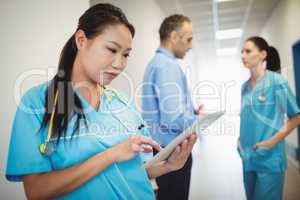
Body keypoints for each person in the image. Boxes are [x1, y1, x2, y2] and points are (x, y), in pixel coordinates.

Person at [5, 4, 197, 200]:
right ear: (81, 40)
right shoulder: (36, 103)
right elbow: (36, 191)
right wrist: (110, 155)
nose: (119, 64)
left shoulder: (123, 102)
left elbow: (137, 171)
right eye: (111, 49)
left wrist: (168, 166)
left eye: (125, 54)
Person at [142, 14, 202, 200]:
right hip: (172, 151)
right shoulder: (167, 66)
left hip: (163, 148)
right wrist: (201, 121)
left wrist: (191, 112)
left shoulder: (156, 63)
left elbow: (167, 110)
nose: (191, 46)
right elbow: (172, 118)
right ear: (174, 37)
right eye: (188, 39)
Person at [238, 36, 300, 200]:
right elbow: (247, 118)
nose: (243, 55)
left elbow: (296, 117)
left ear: (263, 54)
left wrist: (272, 141)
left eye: (248, 51)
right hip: (248, 156)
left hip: (270, 157)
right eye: (242, 52)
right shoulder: (244, 87)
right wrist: (239, 139)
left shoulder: (277, 82)